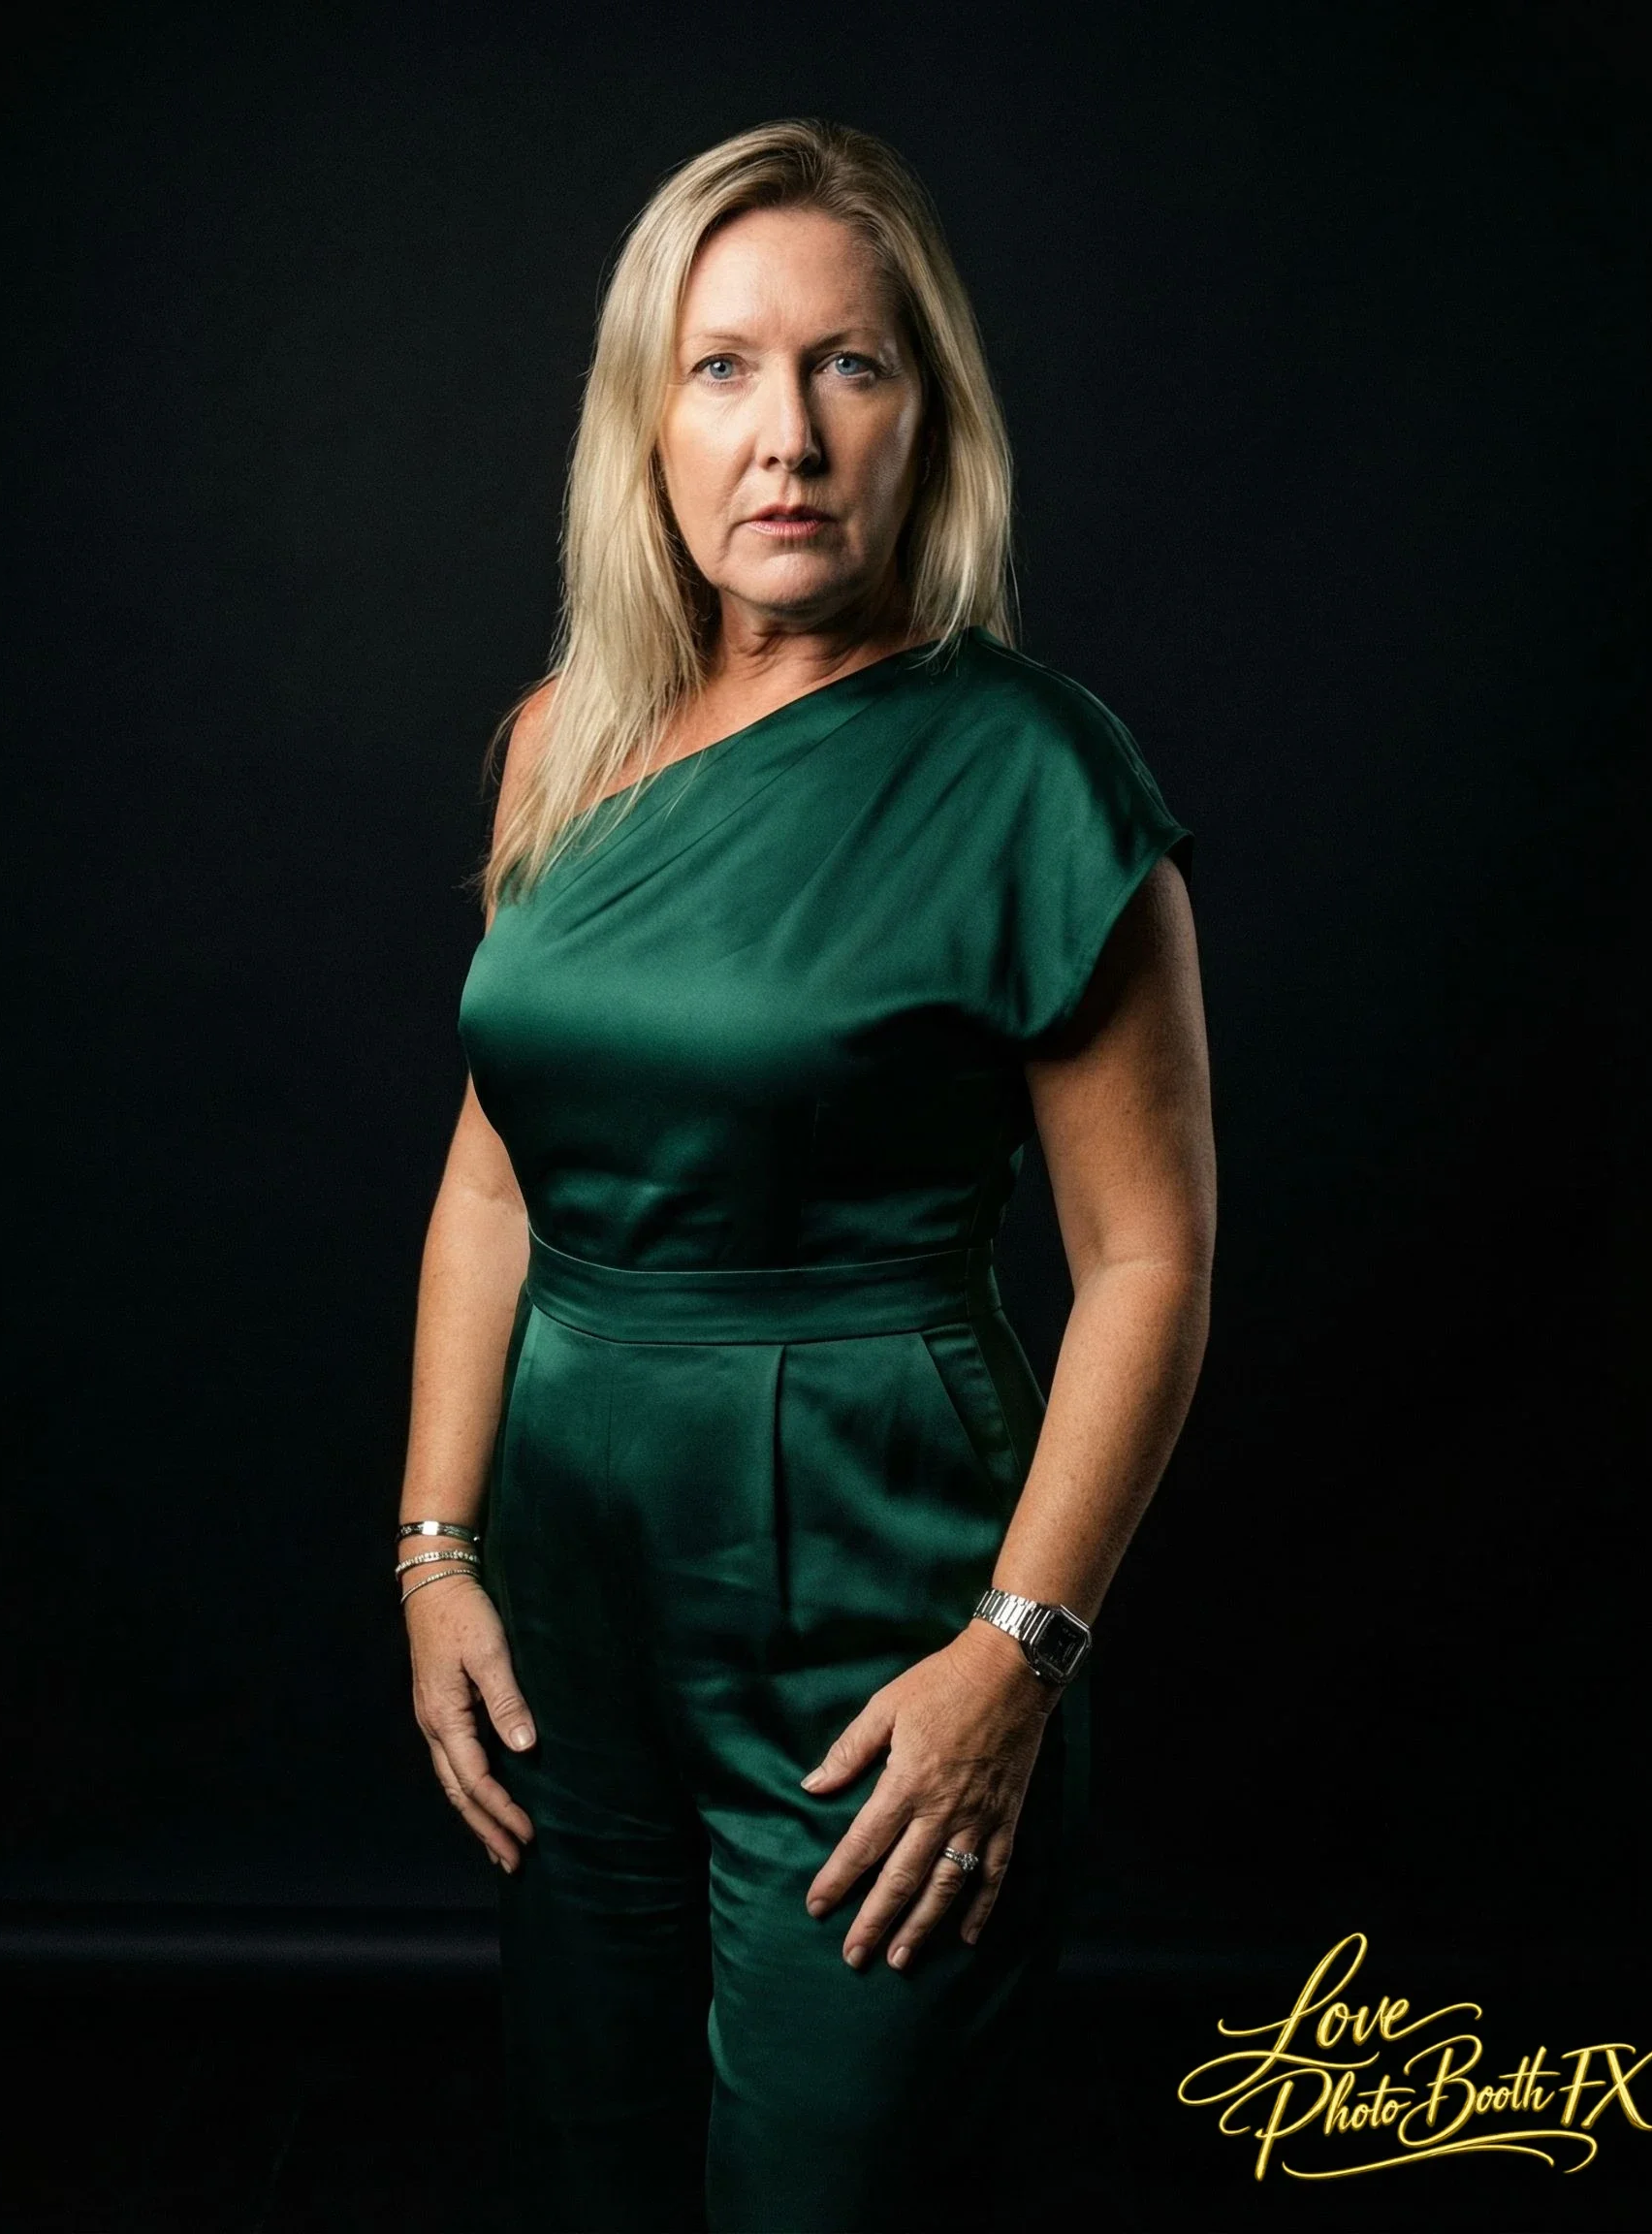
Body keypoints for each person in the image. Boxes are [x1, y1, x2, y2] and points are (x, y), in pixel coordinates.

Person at [396, 116, 1215, 2234]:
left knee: (824, 2191)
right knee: (588, 2169)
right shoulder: (564, 739)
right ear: (646, 422)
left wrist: (1014, 1656)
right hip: (576, 1610)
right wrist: (435, 1552)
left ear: (928, 415)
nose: (787, 437)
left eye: (850, 365)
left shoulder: (1032, 770)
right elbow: (494, 1183)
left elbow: (1148, 1258)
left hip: (877, 1592)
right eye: (724, 368)